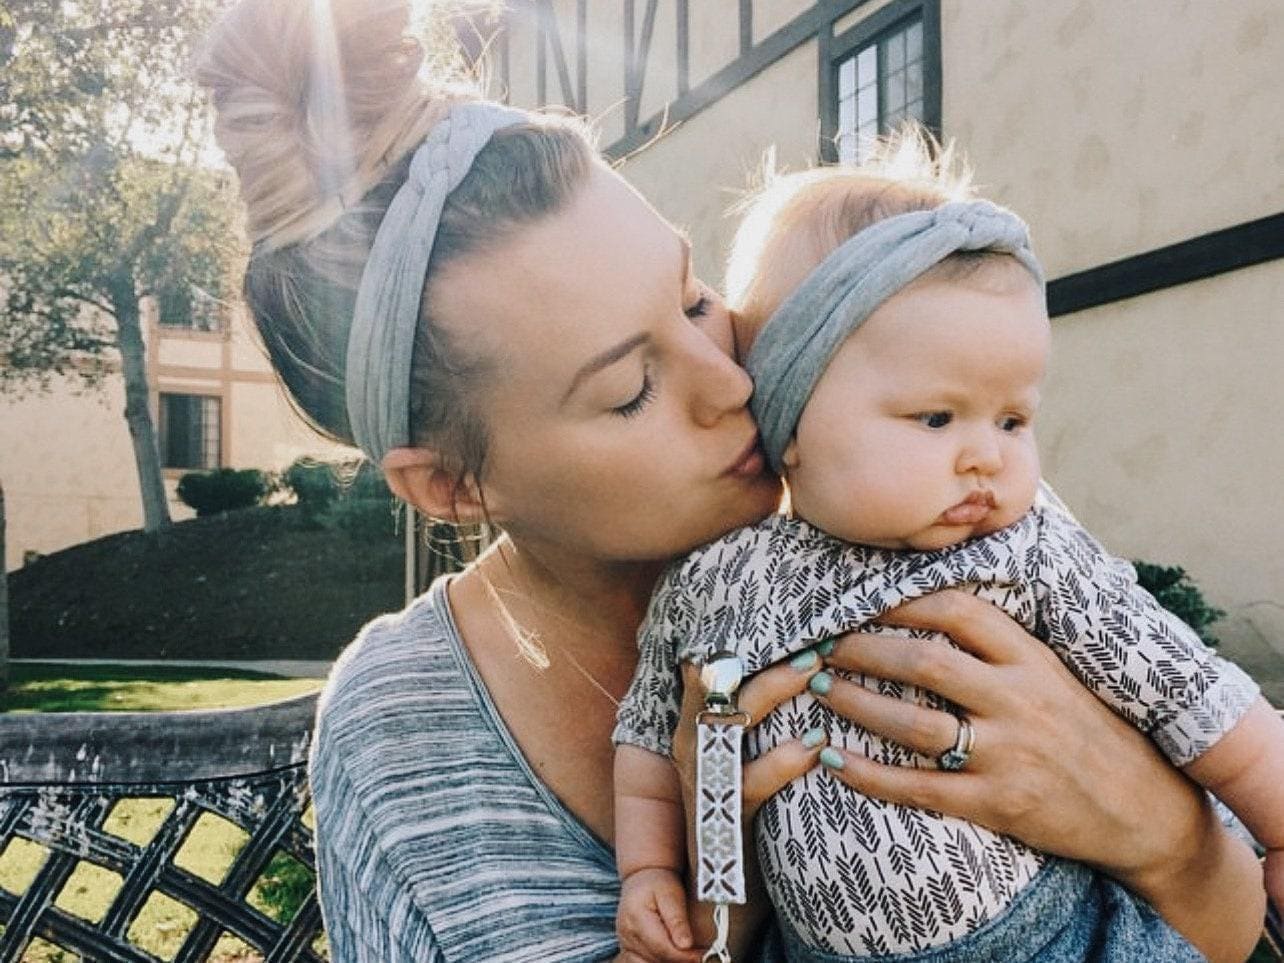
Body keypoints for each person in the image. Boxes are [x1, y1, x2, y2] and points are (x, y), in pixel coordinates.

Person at [196, 2, 1267, 960]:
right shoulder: (411, 735)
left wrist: (1161, 838)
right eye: (629, 389)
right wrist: (729, 913)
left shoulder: (923, 508)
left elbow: (1224, 918)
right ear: (451, 488)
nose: (730, 379)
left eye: (695, 297)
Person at [613, 137, 1284, 962]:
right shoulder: (716, 581)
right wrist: (650, 869)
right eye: (936, 418)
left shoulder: (1024, 544)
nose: (987, 455)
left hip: (1058, 936)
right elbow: (651, 741)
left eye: (1012, 418)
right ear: (793, 423)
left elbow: (1190, 690)